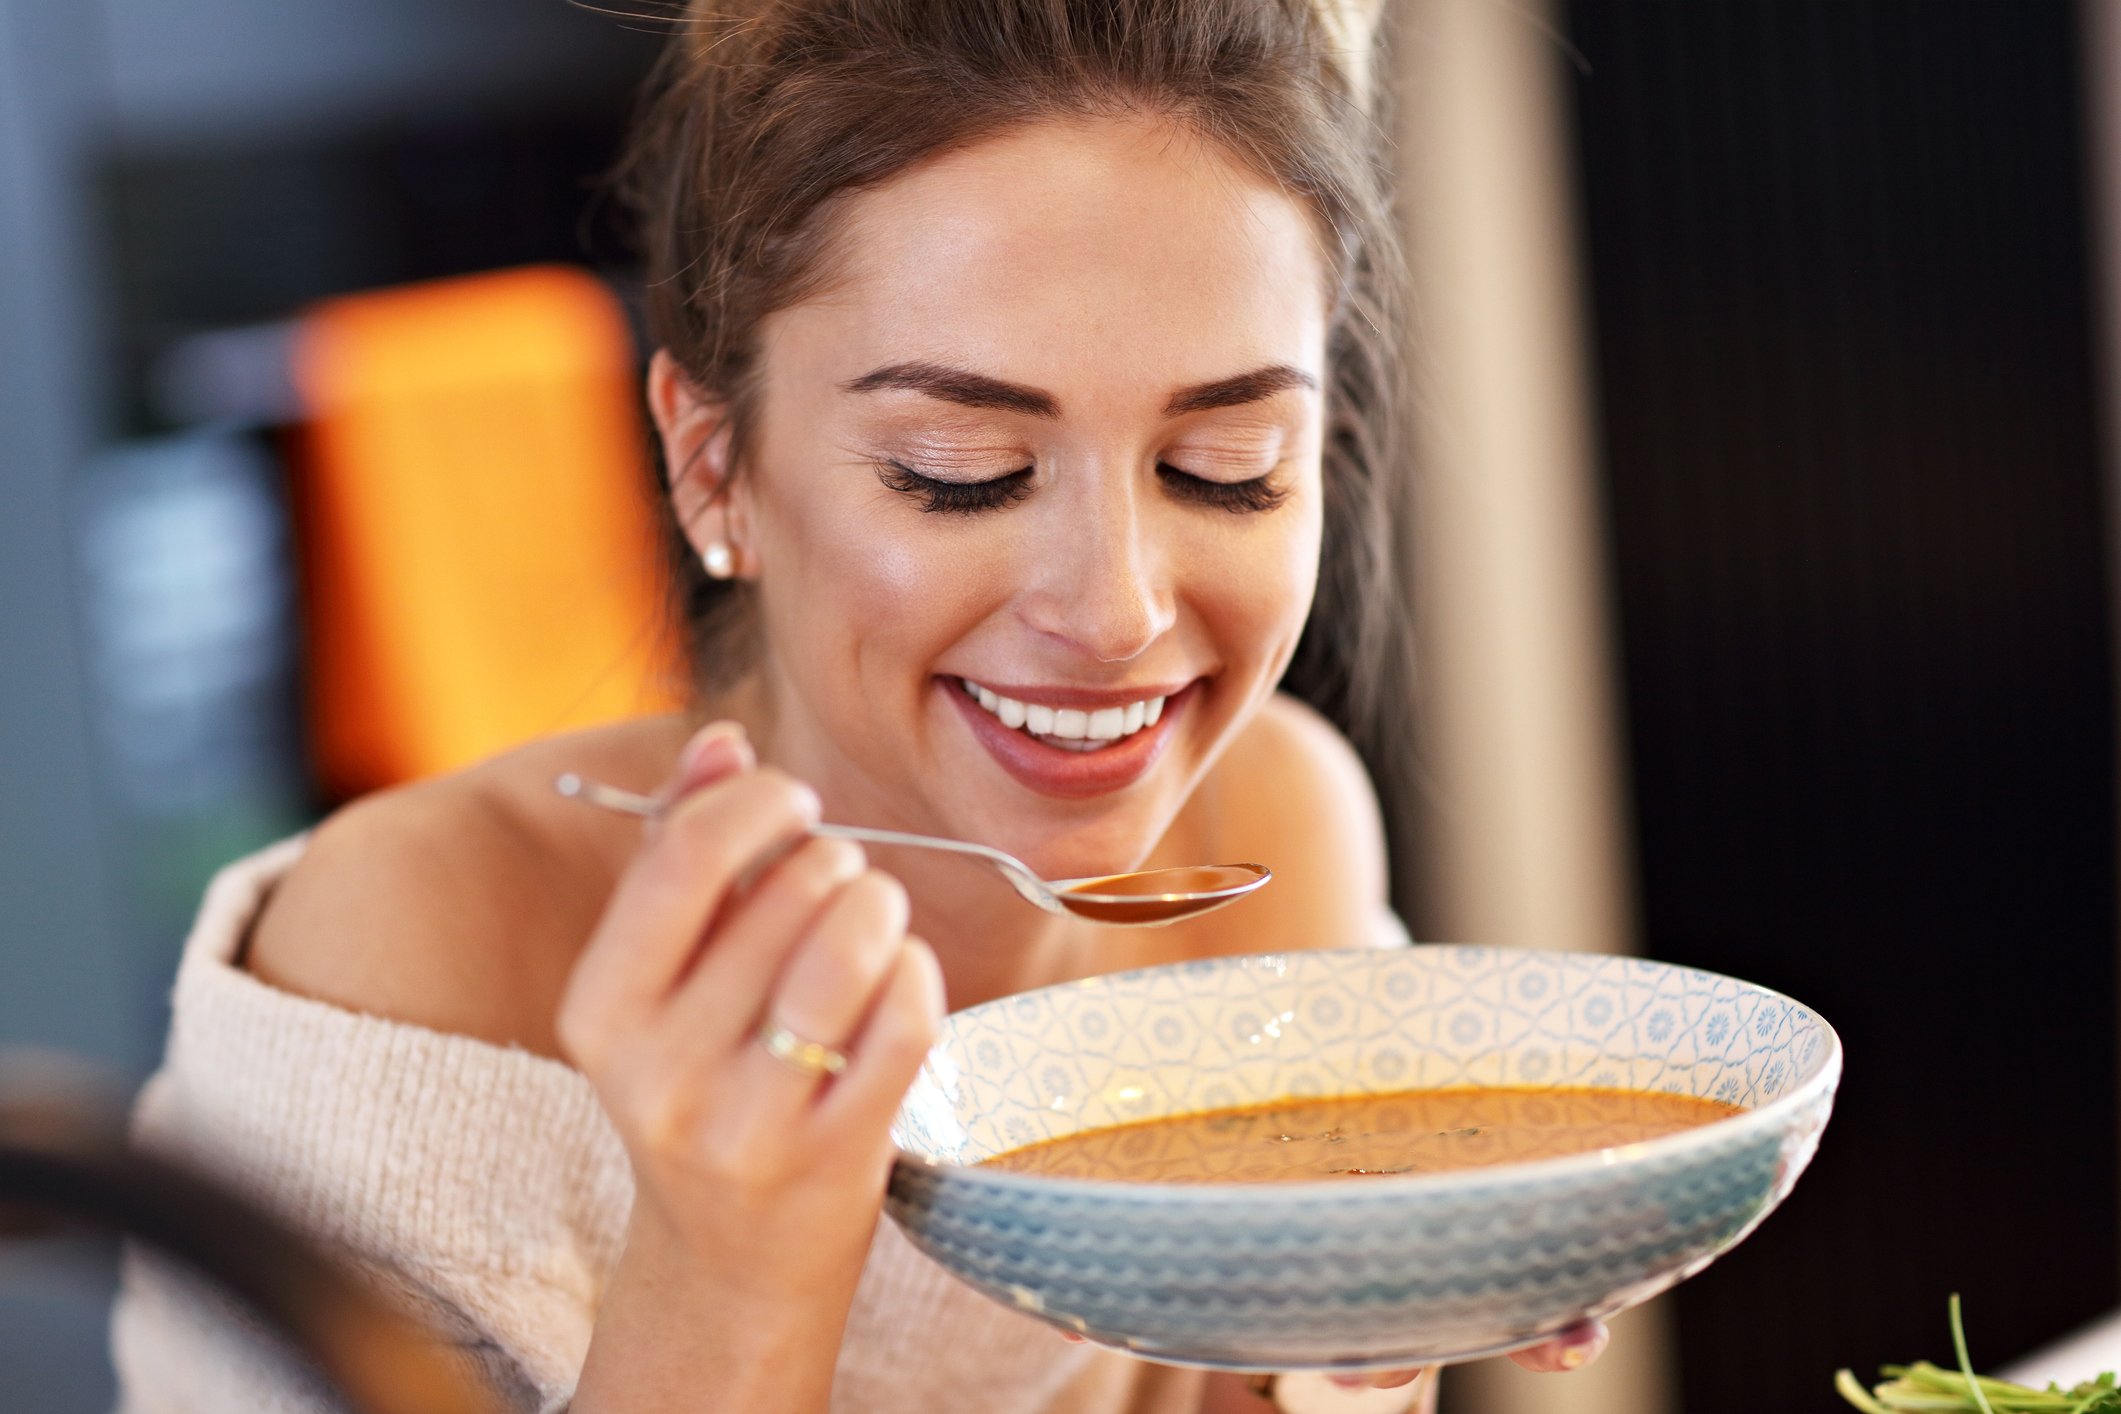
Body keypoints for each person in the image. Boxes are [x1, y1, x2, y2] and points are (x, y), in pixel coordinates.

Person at [110, 1, 1611, 1410]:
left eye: (1225, 464)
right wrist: (725, 1270)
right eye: (959, 467)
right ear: (713, 465)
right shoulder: (408, 960)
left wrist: (1361, 1343)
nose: (1116, 610)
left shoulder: (1275, 830)